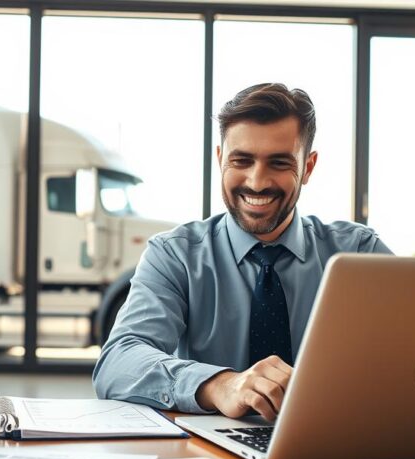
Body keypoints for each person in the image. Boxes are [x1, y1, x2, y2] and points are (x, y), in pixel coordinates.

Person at [93, 83, 392, 421]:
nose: (257, 181)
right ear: (220, 159)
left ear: (308, 167)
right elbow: (118, 362)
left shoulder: (359, 252)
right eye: (241, 160)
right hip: (209, 456)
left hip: (336, 441)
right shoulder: (175, 255)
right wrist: (220, 385)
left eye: (279, 163)